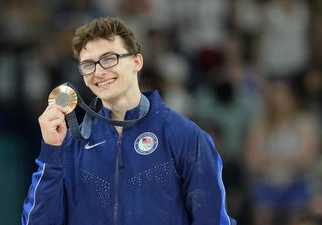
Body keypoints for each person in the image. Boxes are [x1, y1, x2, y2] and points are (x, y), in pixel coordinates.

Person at [21, 16, 236, 225]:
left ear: (137, 61)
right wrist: (51, 152)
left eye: (109, 58)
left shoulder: (185, 136)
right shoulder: (71, 145)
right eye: (88, 64)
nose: (99, 72)